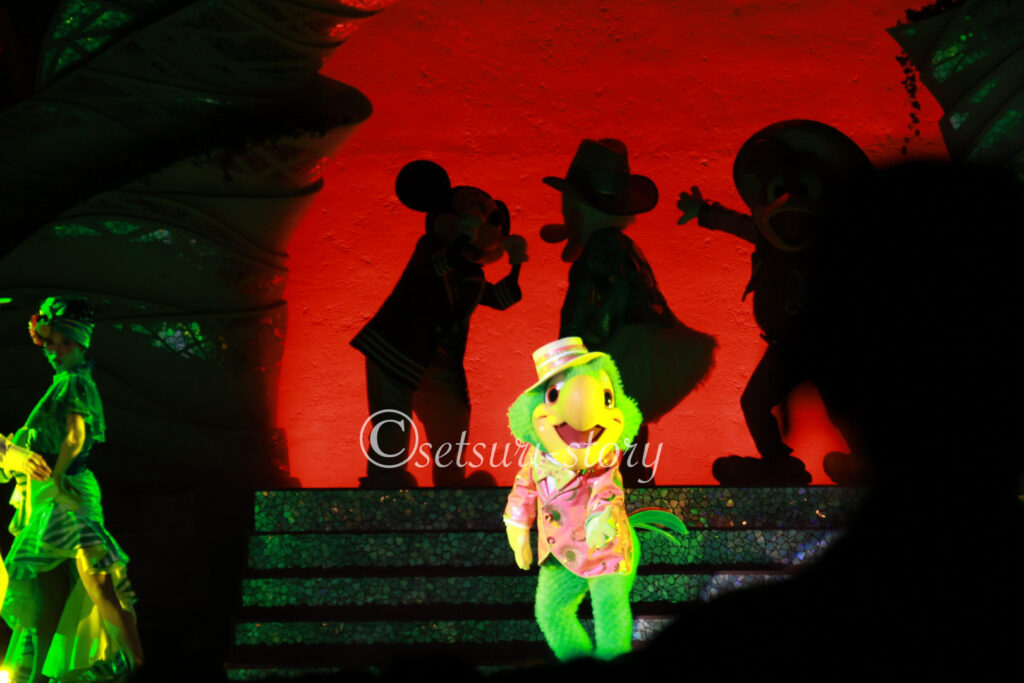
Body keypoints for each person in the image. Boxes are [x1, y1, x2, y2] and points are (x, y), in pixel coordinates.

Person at [542, 139, 714, 486]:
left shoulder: (599, 250)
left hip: (615, 347)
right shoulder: (619, 245)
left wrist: (572, 352)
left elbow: (591, 304)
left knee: (604, 415)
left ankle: (609, 479)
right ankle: (632, 474)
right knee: (628, 414)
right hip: (637, 346)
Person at [0, 297, 143, 683]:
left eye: (64, 343)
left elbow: (76, 437)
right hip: (51, 494)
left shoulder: (74, 382)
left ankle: (133, 661)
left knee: (93, 579)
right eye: (51, 343)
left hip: (65, 492)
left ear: (80, 344)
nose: (55, 351)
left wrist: (60, 474)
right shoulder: (66, 383)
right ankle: (48, 670)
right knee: (59, 586)